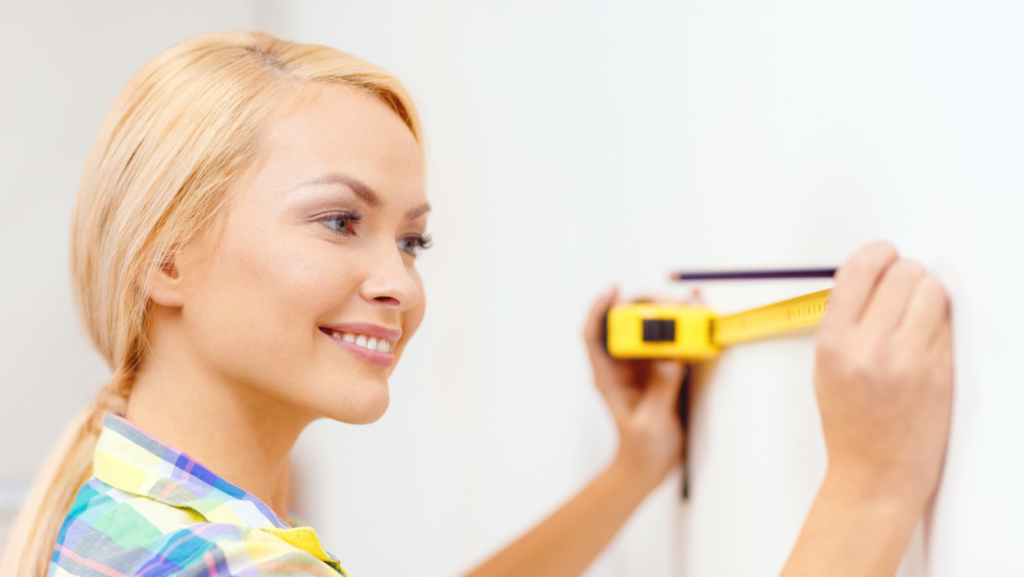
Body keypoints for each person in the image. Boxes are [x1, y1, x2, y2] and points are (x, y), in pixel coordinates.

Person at [0, 32, 953, 577]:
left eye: (412, 239)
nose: (400, 283)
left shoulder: (116, 512)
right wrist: (867, 490)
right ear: (165, 257)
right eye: (339, 221)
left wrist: (632, 469)